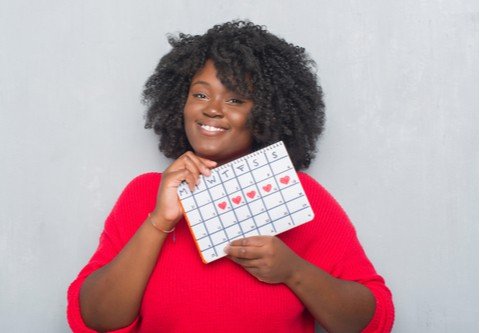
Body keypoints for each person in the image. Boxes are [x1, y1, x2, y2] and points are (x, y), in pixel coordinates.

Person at [67, 20, 394, 332]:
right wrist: (159, 221)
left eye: (236, 99)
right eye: (200, 94)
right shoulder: (144, 193)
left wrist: (293, 272)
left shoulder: (298, 193)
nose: (213, 109)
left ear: (266, 112)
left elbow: (372, 321)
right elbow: (93, 319)